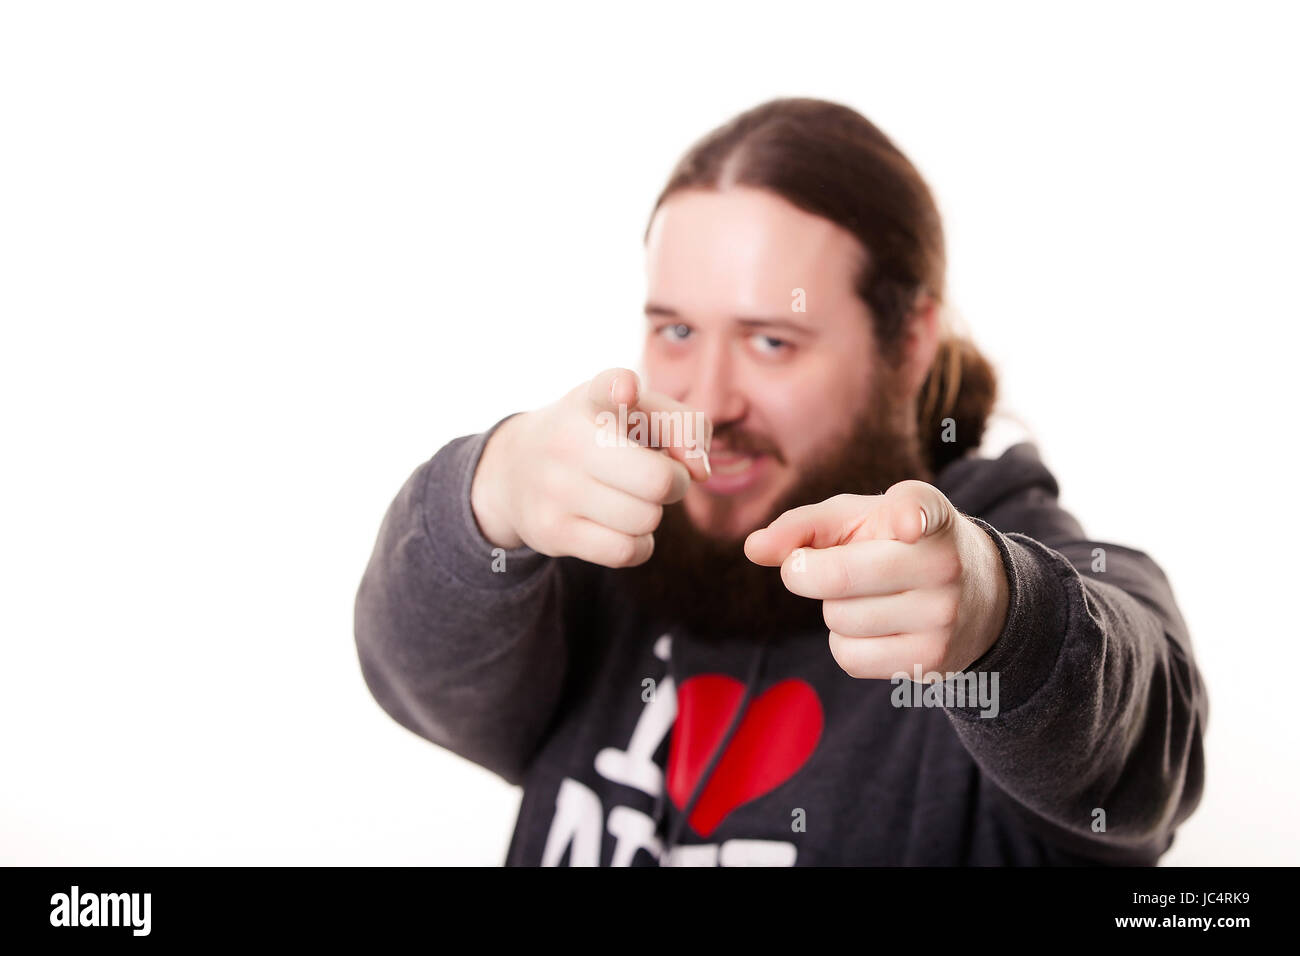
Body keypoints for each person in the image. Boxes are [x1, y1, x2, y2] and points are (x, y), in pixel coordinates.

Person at [353, 97, 1207, 866]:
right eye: (678, 330)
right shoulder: (612, 552)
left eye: (772, 342)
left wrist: (1002, 618)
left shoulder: (1010, 559)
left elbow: (1144, 756)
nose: (709, 402)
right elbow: (419, 673)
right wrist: (490, 492)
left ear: (909, 341)